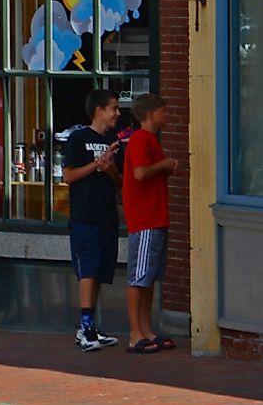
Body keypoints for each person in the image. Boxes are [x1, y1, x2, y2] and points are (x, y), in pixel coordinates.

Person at [58, 88, 124, 351]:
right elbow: (68, 176)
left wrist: (109, 170)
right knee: (87, 269)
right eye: (113, 108)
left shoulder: (115, 142)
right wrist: (96, 165)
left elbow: (121, 182)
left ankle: (92, 327)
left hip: (107, 215)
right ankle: (84, 328)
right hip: (84, 215)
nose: (117, 113)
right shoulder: (78, 138)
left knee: (99, 270)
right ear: (99, 110)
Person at [120, 93, 179, 353]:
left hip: (154, 217)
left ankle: (146, 329)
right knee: (139, 277)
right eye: (164, 111)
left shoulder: (149, 140)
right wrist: (165, 164)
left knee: (149, 277)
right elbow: (140, 172)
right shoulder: (141, 139)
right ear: (151, 114)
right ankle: (135, 333)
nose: (167, 115)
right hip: (145, 218)